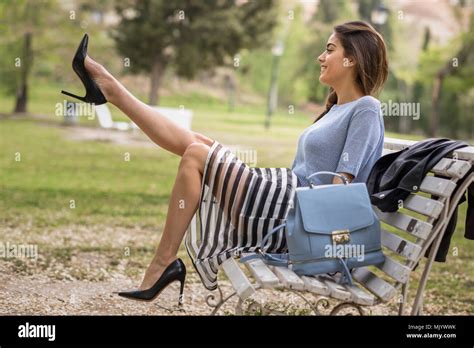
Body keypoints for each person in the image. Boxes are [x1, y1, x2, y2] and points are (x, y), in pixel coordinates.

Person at [65, 20, 388, 304]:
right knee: (199, 143)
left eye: (329, 49)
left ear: (351, 59)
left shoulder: (366, 108)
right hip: (283, 202)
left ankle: (162, 265)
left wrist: (329, 251)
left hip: (297, 221)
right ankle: (110, 88)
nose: (321, 56)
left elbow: (342, 184)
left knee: (196, 154)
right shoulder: (335, 109)